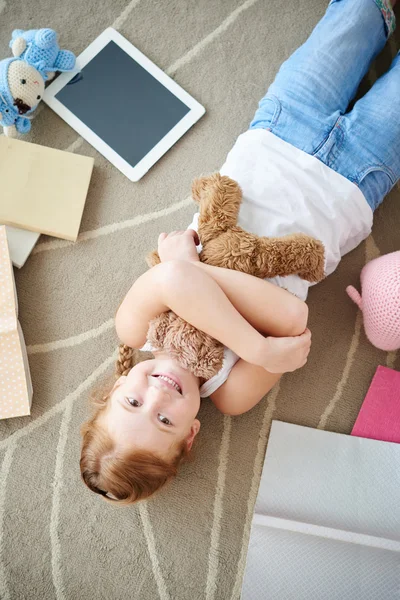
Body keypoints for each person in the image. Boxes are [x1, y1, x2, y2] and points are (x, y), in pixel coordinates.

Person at [80, 0, 399, 504]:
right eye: (163, 420)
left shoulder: (135, 330)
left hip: (277, 132)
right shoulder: (230, 393)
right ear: (189, 435)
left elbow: (174, 283)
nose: (159, 394)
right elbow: (291, 312)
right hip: (353, 184)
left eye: (133, 401)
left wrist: (255, 345)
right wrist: (187, 272)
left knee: (357, 17)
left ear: (113, 388)